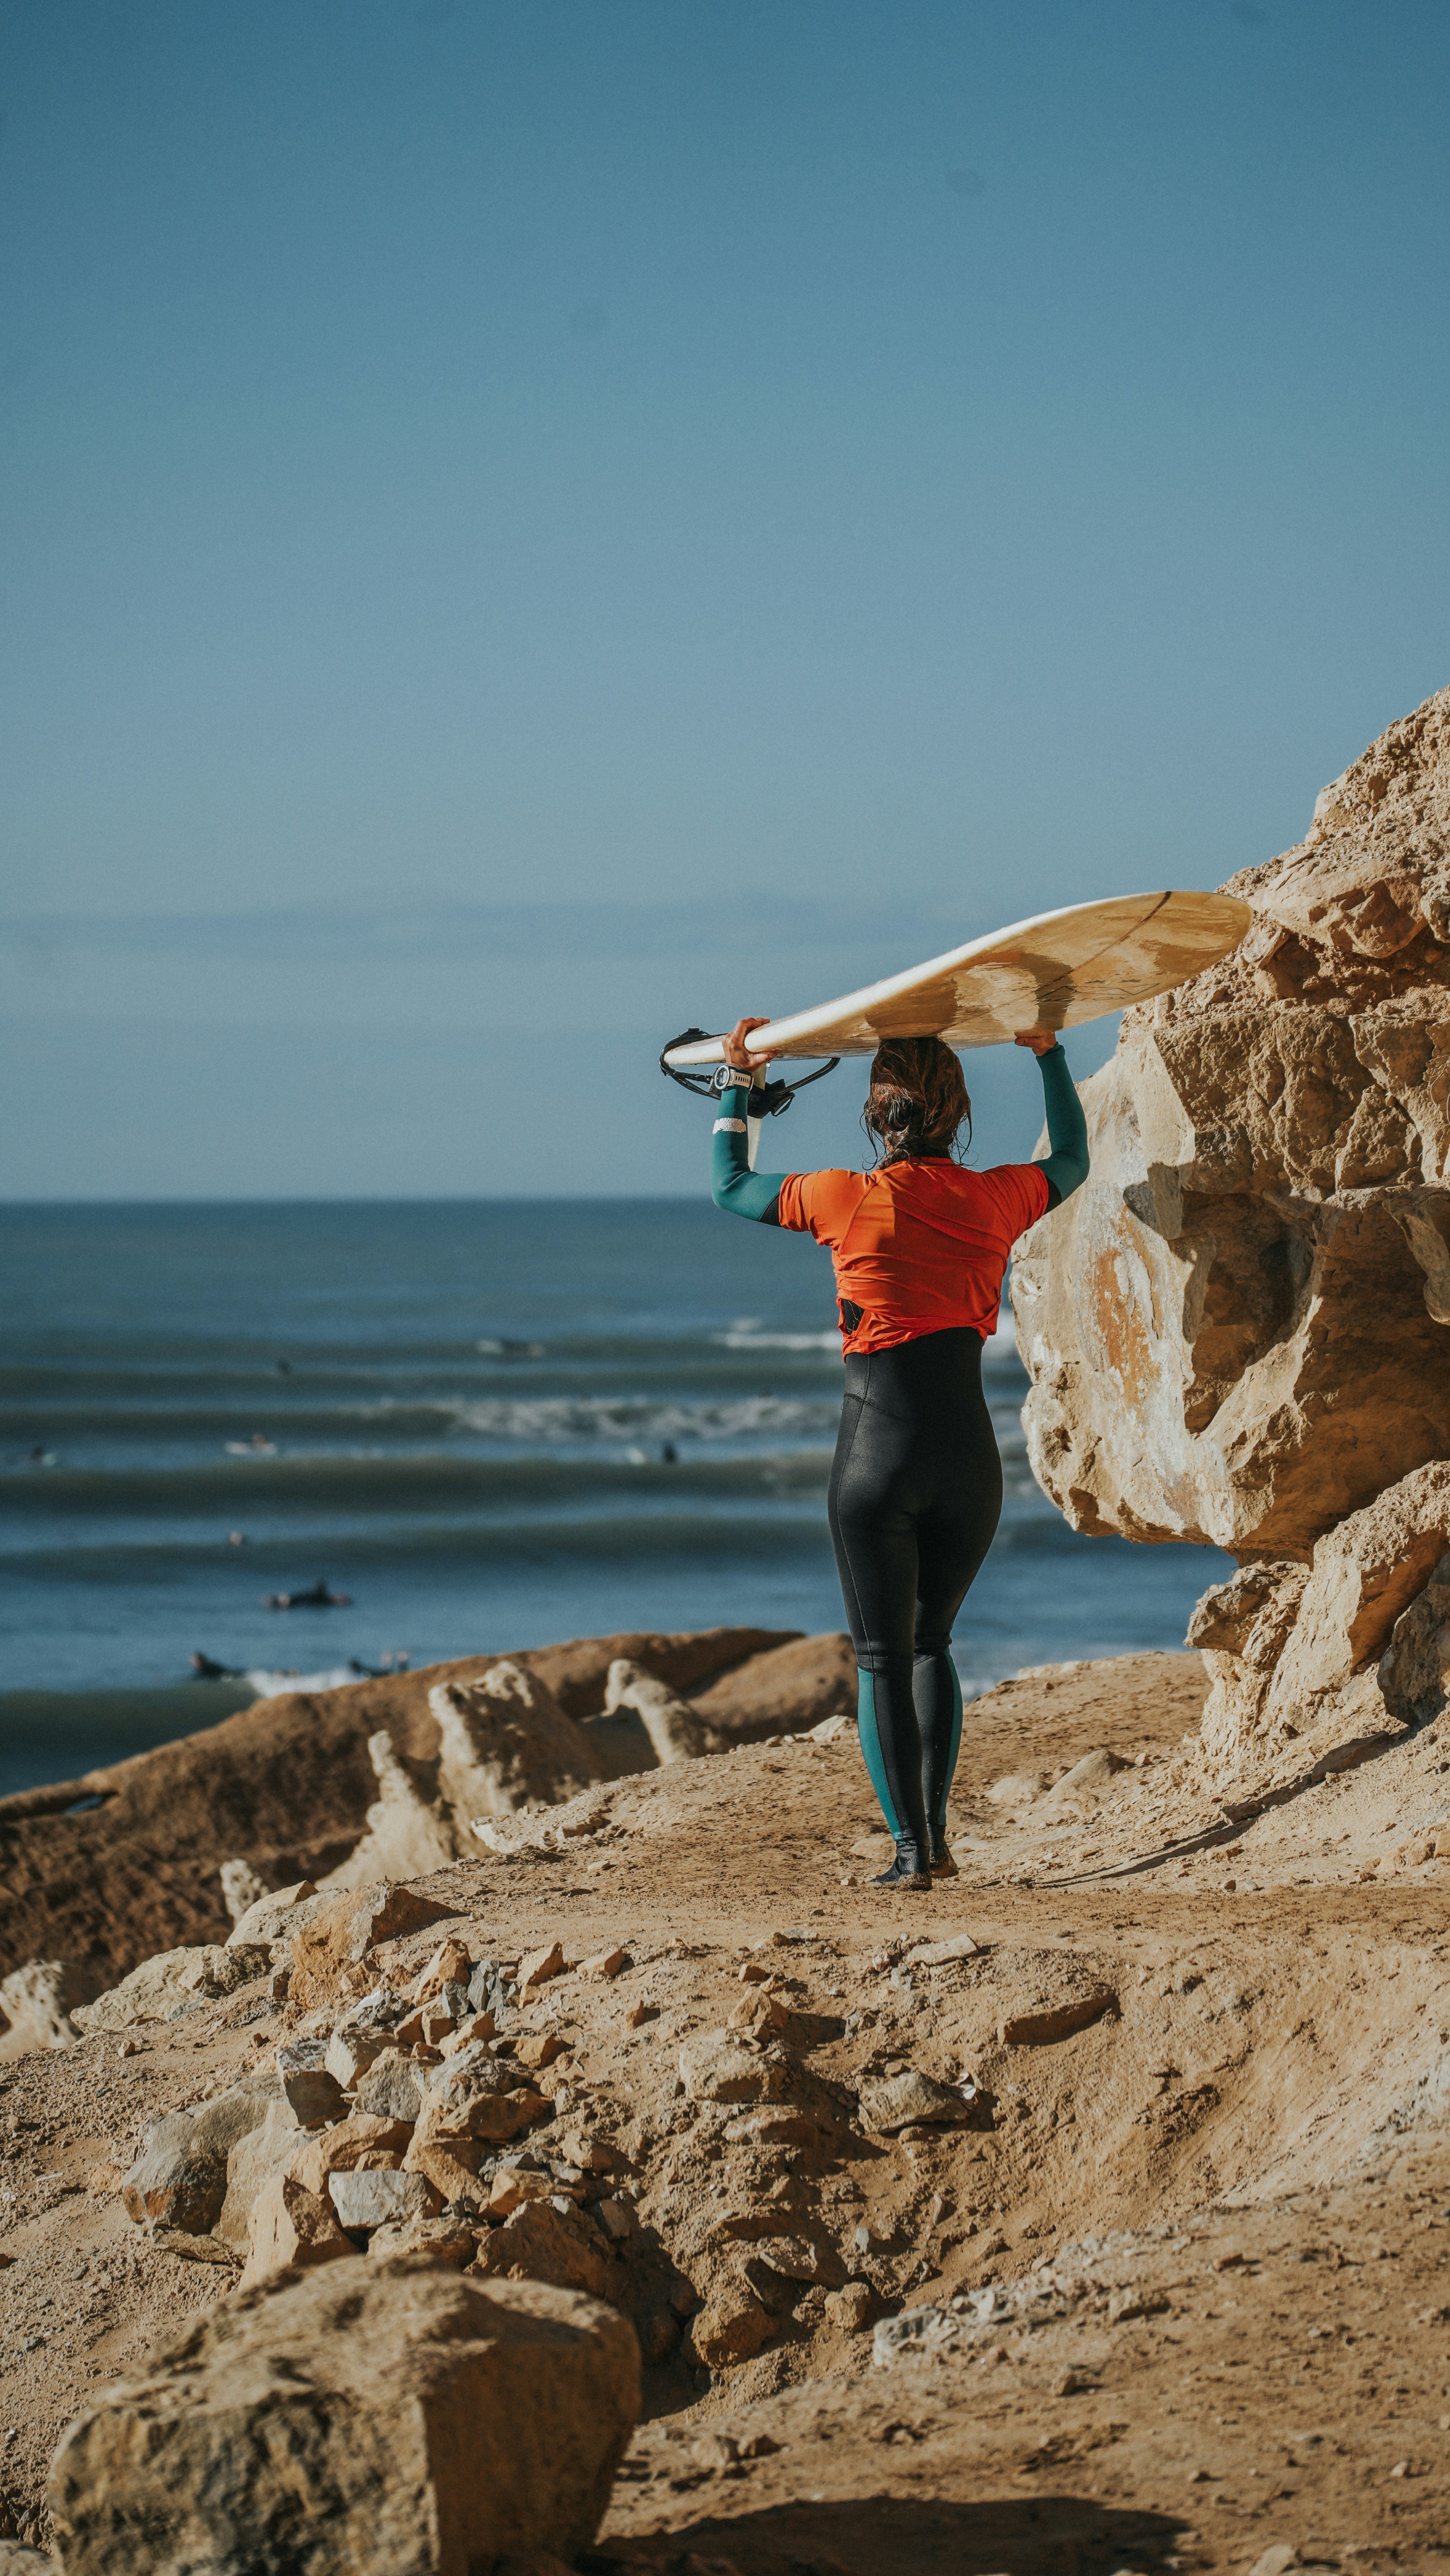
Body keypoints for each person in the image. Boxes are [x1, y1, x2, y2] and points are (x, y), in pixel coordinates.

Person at [708, 1016, 1089, 1894]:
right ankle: (940, 1842)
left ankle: (911, 1854)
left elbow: (729, 1185)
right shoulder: (997, 1196)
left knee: (880, 1657)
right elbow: (1070, 1156)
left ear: (877, 1114)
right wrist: (1047, 1051)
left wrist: (739, 1083)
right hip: (970, 1465)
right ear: (955, 1111)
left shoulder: (842, 1197)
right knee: (931, 1646)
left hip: (875, 1461)